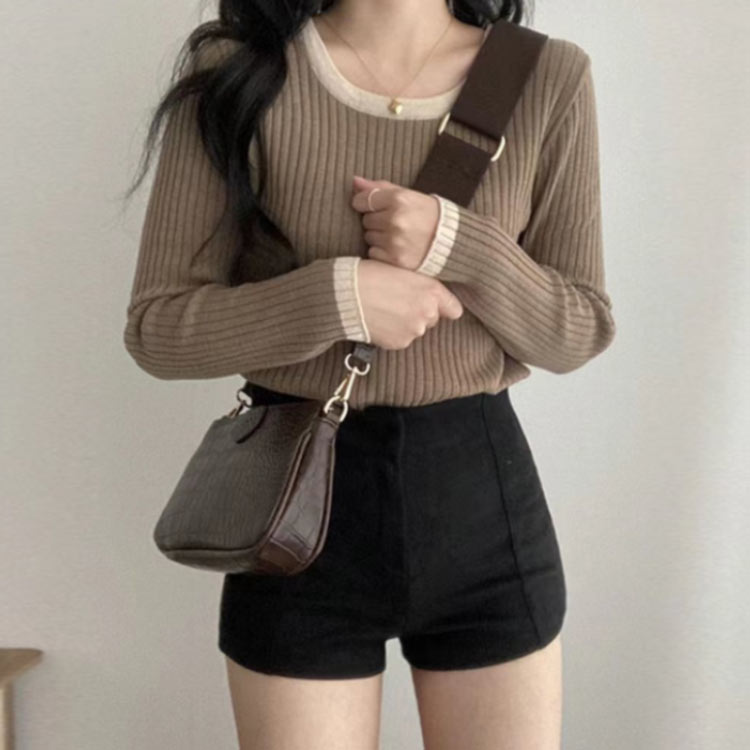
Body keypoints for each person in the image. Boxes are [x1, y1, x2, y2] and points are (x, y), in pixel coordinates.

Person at [122, 0, 616, 747]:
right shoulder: (239, 69)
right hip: (293, 514)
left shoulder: (546, 76)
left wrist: (459, 244)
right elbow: (158, 328)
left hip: (482, 509)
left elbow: (579, 329)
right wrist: (337, 295)